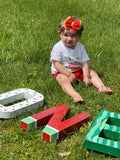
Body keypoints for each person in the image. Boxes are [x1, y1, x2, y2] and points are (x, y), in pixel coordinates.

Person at [50, 16, 113, 102]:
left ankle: (102, 87)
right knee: (62, 79)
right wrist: (68, 74)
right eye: (66, 35)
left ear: (79, 36)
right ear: (60, 34)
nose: (69, 39)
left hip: (77, 71)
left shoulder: (80, 47)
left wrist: (86, 76)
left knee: (92, 72)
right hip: (62, 72)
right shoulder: (58, 47)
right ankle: (74, 94)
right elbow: (57, 64)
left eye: (73, 36)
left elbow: (84, 63)